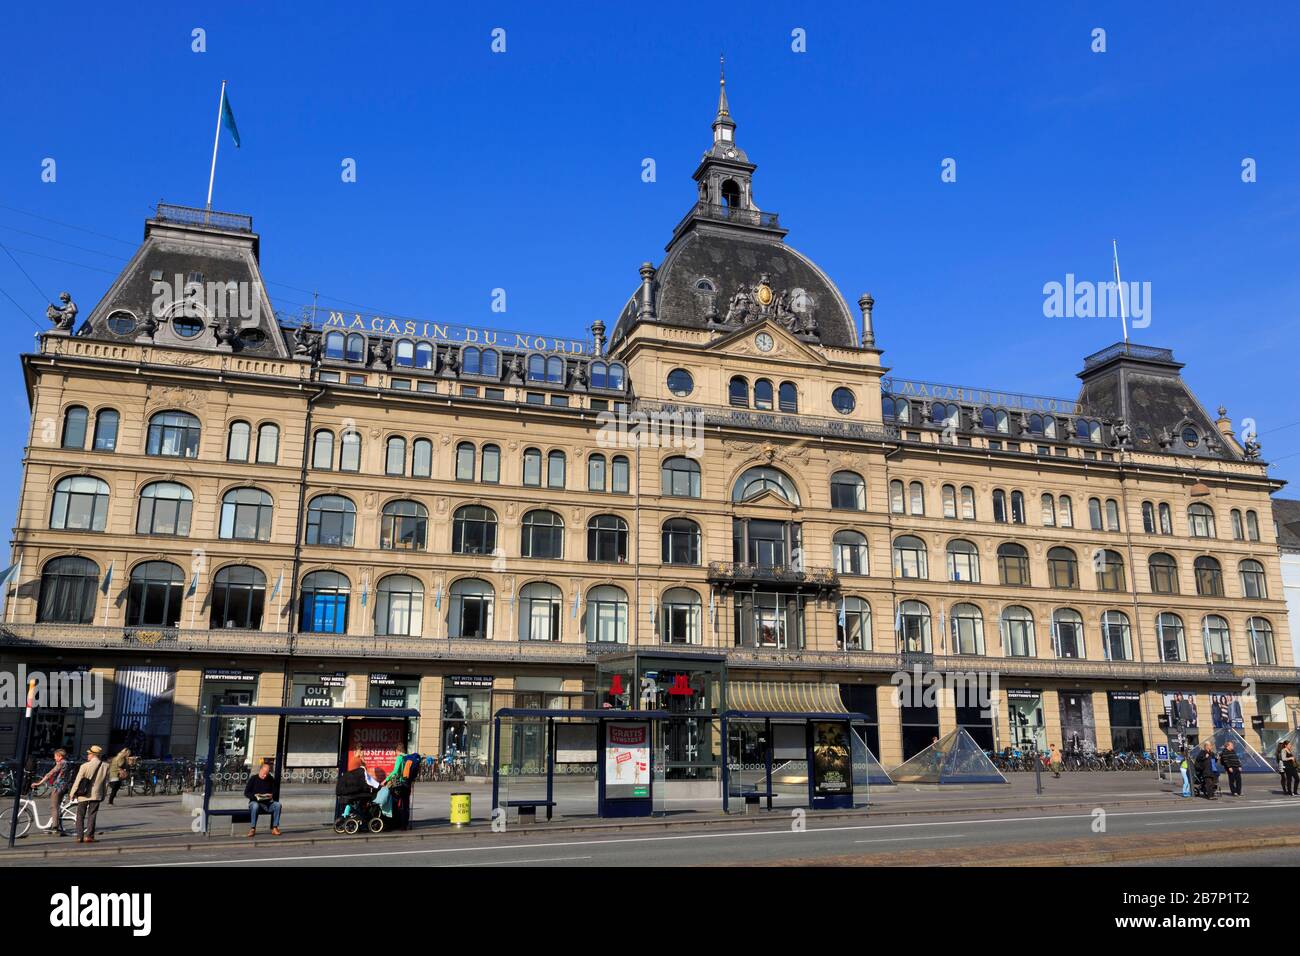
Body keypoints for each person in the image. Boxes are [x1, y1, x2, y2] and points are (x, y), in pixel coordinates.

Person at [68, 744, 109, 843]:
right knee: (92, 815)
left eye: (89, 754)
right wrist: (104, 794)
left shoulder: (84, 766)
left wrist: (72, 793)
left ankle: (79, 836)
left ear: (93, 755)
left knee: (80, 815)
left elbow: (78, 780)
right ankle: (89, 836)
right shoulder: (105, 766)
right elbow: (106, 782)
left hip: (83, 793)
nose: (87, 756)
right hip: (96, 794)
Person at [32, 748, 72, 836]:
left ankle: (55, 827)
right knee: (57, 806)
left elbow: (51, 773)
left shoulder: (61, 763)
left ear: (60, 756)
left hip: (58, 788)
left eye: (55, 756)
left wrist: (39, 783)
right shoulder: (66, 763)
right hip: (63, 787)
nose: (54, 758)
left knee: (54, 807)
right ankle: (54, 823)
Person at [243, 760, 282, 837]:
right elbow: (246, 793)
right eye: (264, 774)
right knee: (255, 806)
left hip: (267, 803)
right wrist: (255, 796)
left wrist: (270, 795)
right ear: (260, 770)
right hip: (255, 802)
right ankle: (252, 828)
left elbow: (275, 791)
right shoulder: (253, 779)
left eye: (267, 774)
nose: (265, 776)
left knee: (278, 805)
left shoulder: (270, 779)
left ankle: (275, 827)